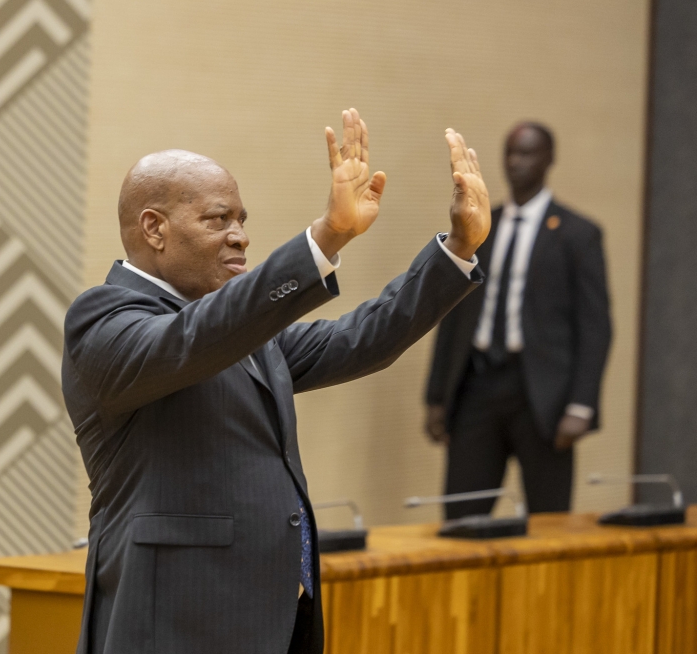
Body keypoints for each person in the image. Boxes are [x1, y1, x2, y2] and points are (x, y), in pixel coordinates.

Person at [62, 109, 491, 654]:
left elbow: (363, 338)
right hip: (172, 621)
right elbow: (194, 339)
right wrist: (327, 236)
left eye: (242, 219)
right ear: (154, 228)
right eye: (219, 220)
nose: (240, 237)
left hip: (267, 619)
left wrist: (458, 249)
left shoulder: (245, 336)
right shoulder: (104, 318)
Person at [424, 122, 612, 519]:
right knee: (461, 517)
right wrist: (437, 395)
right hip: (477, 385)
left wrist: (582, 405)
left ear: (548, 159)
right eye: (510, 152)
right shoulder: (478, 227)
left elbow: (595, 326)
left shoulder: (578, 234)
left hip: (542, 394)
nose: (515, 162)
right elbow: (453, 312)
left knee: (548, 521)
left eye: (527, 153)